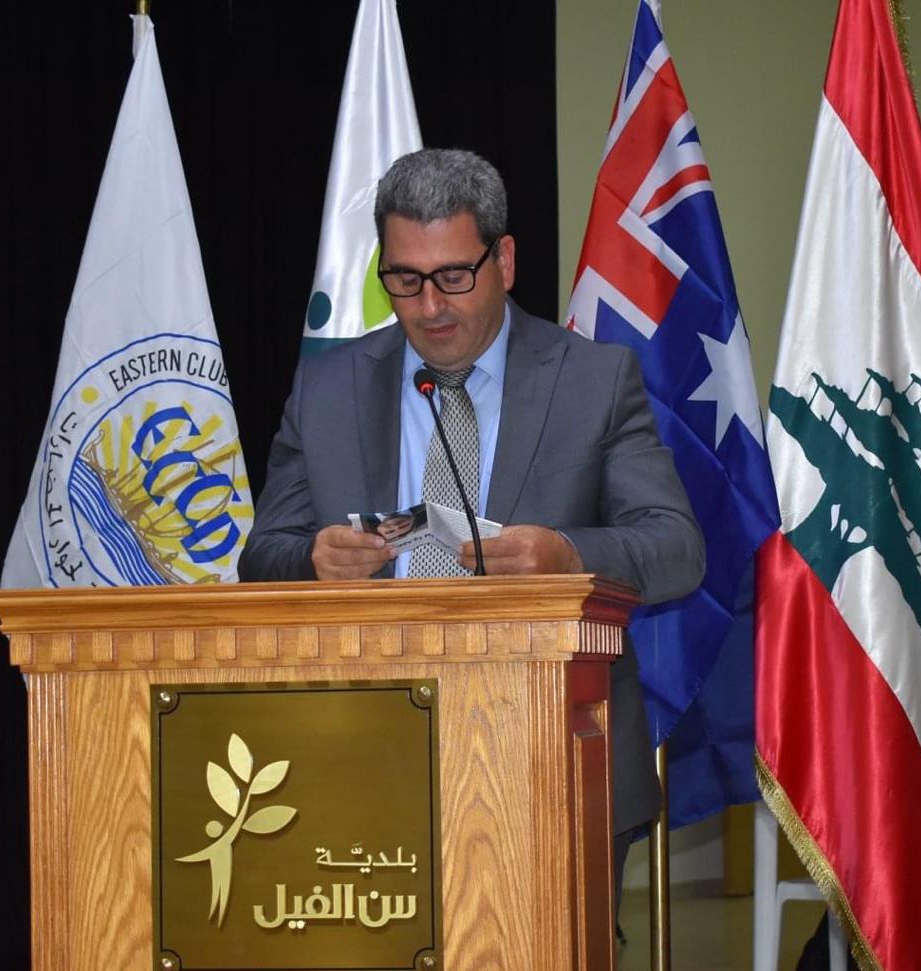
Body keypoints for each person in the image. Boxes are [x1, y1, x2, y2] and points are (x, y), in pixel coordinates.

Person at [238, 148, 704, 847]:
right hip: (359, 761)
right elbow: (260, 557)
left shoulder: (594, 381)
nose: (430, 307)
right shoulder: (328, 389)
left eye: (454, 277)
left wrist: (567, 556)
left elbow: (676, 549)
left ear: (504, 261)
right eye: (405, 280)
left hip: (549, 755)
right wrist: (313, 560)